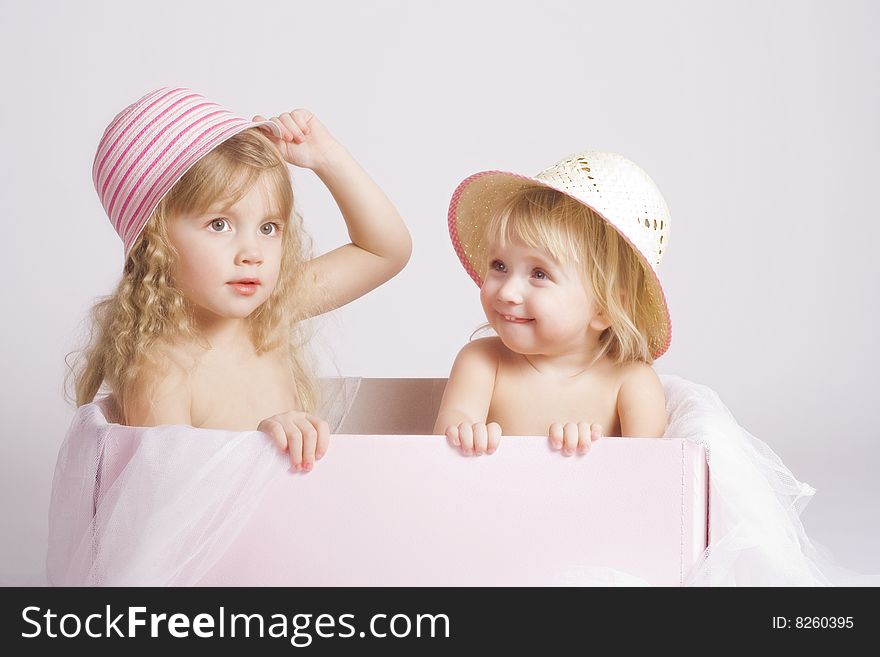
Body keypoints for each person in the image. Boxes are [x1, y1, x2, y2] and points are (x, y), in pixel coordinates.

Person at [68, 87, 411, 472]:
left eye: (268, 227)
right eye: (220, 224)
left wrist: (327, 157)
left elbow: (386, 251)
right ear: (154, 241)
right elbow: (167, 505)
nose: (253, 252)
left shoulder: (270, 312)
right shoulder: (160, 368)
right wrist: (258, 447)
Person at [435, 151, 670, 455]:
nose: (507, 292)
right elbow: (445, 437)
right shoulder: (482, 362)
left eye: (539, 273)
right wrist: (464, 433)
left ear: (604, 308)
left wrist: (595, 457)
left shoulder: (632, 383)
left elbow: (651, 478)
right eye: (499, 266)